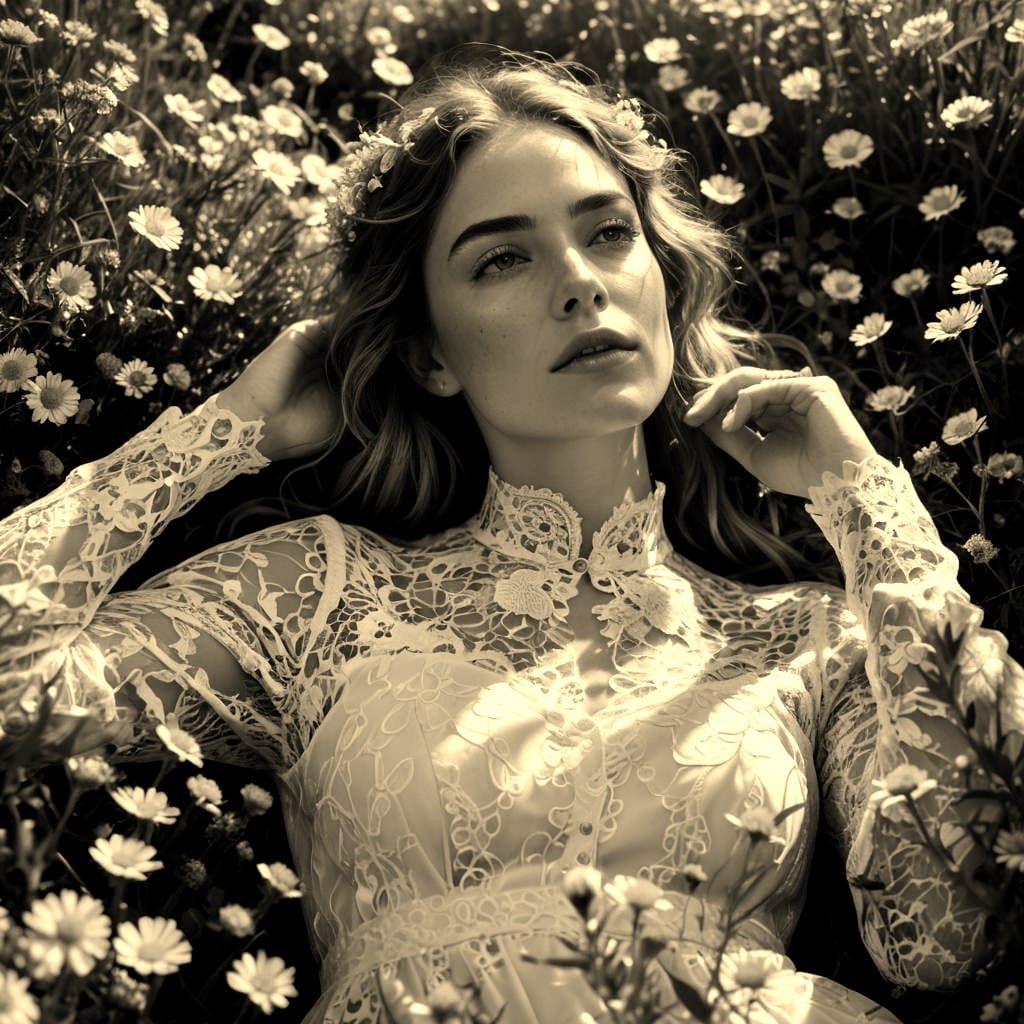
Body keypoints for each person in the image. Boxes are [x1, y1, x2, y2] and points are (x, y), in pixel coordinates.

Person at [1, 46, 1020, 1024]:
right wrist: (222, 431)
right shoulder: (314, 588)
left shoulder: (812, 638)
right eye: (500, 259)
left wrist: (863, 498)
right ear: (431, 355)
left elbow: (935, 932)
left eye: (608, 232)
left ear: (662, 278)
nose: (578, 281)